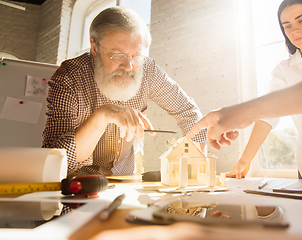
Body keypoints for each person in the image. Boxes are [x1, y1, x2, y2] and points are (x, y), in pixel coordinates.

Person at [188, 0, 302, 181]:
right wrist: (244, 161)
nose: (294, 30)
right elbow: (266, 117)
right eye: (287, 26)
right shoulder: (283, 71)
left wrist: (243, 112)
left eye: (301, 20)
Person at [42, 7, 206, 176]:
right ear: (94, 47)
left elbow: (188, 111)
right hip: (76, 186)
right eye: (117, 54)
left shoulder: (148, 70)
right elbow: (54, 161)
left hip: (125, 181)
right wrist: (101, 117)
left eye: (136, 55)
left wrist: (197, 165)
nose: (128, 66)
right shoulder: (69, 77)